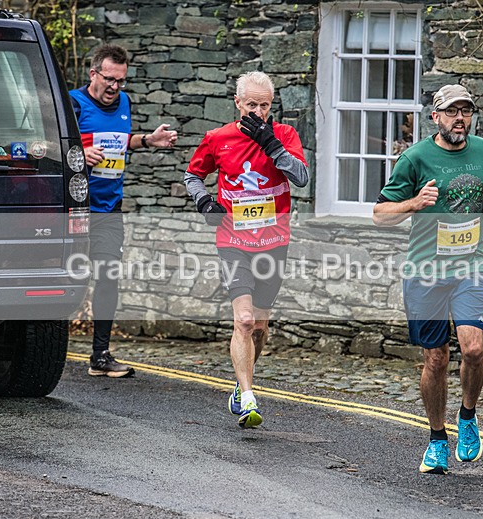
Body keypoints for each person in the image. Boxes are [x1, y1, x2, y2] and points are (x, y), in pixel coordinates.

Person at [373, 84, 483, 474]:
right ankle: (436, 438)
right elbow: (380, 214)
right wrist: (414, 203)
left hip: (470, 265)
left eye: (465, 110)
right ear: (436, 117)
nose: (459, 118)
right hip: (426, 270)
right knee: (435, 358)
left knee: (474, 349)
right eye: (451, 111)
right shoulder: (414, 158)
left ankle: (467, 415)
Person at [183, 71, 308, 428]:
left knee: (260, 327)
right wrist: (204, 201)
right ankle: (248, 395)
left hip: (273, 241)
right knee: (245, 319)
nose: (257, 112)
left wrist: (274, 148)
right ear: (237, 103)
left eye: (264, 106)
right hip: (233, 240)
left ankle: (242, 384)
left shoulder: (284, 135)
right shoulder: (217, 138)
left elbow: (301, 178)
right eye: (251, 105)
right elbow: (192, 176)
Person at [71, 44, 178, 378]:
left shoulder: (125, 103)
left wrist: (148, 140)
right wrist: (79, 155)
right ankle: (41, 347)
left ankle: (100, 355)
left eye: (121, 80)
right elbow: (50, 145)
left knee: (108, 278)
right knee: (67, 279)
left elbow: (122, 140)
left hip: (109, 209)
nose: (115, 87)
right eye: (109, 79)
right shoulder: (74, 103)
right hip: (75, 208)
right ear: (93, 74)